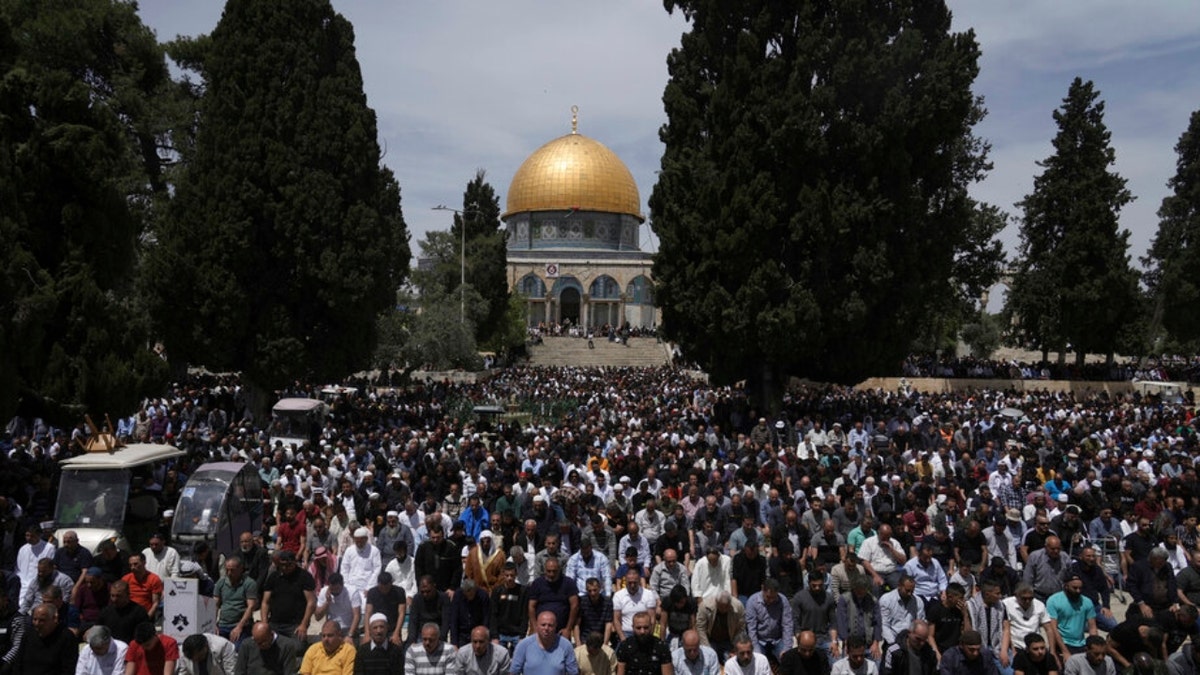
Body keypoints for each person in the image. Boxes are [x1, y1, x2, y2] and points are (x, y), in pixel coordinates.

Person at [260, 551, 317, 642]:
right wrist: (264, 622)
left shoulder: (304, 577)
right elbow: (265, 602)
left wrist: (304, 624)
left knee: (298, 648)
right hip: (275, 622)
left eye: (288, 565)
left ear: (294, 563)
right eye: (282, 565)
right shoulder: (274, 577)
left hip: (296, 624)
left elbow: (311, 602)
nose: (285, 568)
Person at [13, 602, 77, 674]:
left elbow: (68, 669)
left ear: (54, 619)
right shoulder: (28, 634)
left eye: (42, 620)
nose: (37, 624)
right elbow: (18, 663)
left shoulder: (66, 637)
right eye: (35, 619)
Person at [1045, 575, 1097, 665]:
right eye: (1075, 588)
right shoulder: (1054, 601)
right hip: (1063, 642)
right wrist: (1064, 651)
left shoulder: (1087, 602)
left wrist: (1093, 646)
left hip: (1081, 643)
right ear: (1066, 586)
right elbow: (1053, 629)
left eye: (1080, 588)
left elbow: (1092, 628)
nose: (1078, 591)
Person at [510, 611, 579, 675]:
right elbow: (514, 672)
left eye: (550, 625)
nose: (546, 628)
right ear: (537, 625)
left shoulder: (566, 645)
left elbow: (573, 672)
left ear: (555, 626)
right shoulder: (524, 645)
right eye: (543, 625)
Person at [526, 558, 579, 638]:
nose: (551, 574)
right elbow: (531, 606)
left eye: (554, 571)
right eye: (549, 571)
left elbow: (574, 605)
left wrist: (568, 629)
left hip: (561, 630)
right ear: (544, 570)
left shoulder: (568, 583)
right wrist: (535, 627)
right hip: (541, 629)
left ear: (559, 570)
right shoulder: (537, 583)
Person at [745, 578, 793, 662]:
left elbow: (787, 625)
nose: (771, 600)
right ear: (762, 589)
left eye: (774, 597)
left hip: (778, 639)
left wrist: (786, 648)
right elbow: (751, 629)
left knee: (788, 659)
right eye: (768, 597)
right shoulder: (752, 602)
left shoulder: (783, 601)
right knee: (757, 661)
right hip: (759, 640)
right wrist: (756, 651)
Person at [1002, 584, 1053, 664]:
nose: (1027, 601)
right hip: (1016, 645)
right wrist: (1012, 650)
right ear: (1016, 596)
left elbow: (1049, 629)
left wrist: (1052, 651)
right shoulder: (1006, 604)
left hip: (1035, 645)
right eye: (1024, 598)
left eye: (1030, 598)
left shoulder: (1039, 605)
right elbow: (1006, 629)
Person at [792, 572, 838, 660]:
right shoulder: (799, 597)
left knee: (836, 660)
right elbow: (795, 621)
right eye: (814, 585)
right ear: (809, 583)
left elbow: (833, 623)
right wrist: (800, 640)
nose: (817, 588)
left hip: (824, 639)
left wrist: (834, 641)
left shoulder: (829, 598)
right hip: (805, 638)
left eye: (820, 585)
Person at [215, 556, 259, 645]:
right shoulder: (221, 583)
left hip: (241, 625)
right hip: (223, 624)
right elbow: (215, 604)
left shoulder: (249, 583)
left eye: (232, 570)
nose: (229, 573)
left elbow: (251, 606)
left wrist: (239, 626)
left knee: (237, 649)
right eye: (227, 570)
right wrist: (213, 624)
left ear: (240, 569)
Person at [614, 611, 671, 675]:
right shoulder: (625, 646)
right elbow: (620, 672)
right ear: (633, 627)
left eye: (646, 627)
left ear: (651, 626)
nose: (642, 631)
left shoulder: (661, 647)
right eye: (638, 628)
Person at [235, 621, 303, 675]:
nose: (259, 646)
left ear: (271, 635)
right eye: (257, 642)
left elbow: (289, 672)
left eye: (262, 642)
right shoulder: (247, 644)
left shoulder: (286, 646)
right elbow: (240, 671)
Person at [77, 624, 147, 675]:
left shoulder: (121, 649)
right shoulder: (87, 649)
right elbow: (81, 672)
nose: (94, 651)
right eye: (92, 648)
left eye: (98, 648)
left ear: (108, 642)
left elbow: (118, 673)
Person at [695, 592, 744, 663]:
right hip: (710, 640)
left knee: (733, 662)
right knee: (709, 661)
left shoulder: (738, 607)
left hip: (728, 641)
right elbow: (700, 628)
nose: (724, 609)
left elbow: (740, 628)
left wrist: (735, 647)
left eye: (726, 607)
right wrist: (707, 648)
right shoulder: (704, 606)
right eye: (721, 606)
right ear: (716, 602)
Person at [613, 568, 659, 642]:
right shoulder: (618, 596)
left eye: (635, 582)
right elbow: (616, 619)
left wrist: (649, 637)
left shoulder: (648, 594)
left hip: (644, 632)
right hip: (626, 633)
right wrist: (623, 639)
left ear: (639, 581)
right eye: (630, 583)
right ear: (626, 581)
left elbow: (652, 618)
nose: (632, 585)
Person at [489, 564, 527, 654]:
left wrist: (522, 635)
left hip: (517, 634)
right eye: (507, 575)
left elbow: (525, 615)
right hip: (501, 634)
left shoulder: (523, 591)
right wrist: (494, 636)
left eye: (512, 575)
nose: (509, 578)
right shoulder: (497, 591)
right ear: (503, 575)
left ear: (516, 575)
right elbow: (493, 614)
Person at [927, 584, 971, 660]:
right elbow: (930, 635)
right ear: (950, 597)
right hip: (941, 649)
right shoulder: (936, 610)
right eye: (960, 598)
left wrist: (965, 615)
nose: (962, 600)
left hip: (957, 651)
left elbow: (968, 634)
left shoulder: (961, 611)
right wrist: (936, 652)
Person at [313, 573, 361, 642]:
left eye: (337, 589)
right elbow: (317, 617)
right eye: (332, 589)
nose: (334, 592)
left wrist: (350, 635)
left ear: (342, 585)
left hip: (348, 628)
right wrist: (327, 603)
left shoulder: (352, 592)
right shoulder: (324, 592)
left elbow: (357, 615)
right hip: (332, 628)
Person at [879, 576, 924, 648]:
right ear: (899, 586)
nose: (910, 594)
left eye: (912, 591)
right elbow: (884, 625)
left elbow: (920, 623)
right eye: (907, 590)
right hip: (891, 640)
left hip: (911, 641)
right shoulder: (886, 599)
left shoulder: (918, 601)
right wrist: (894, 644)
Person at [123, 552, 164, 617]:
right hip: (128, 614)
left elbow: (155, 603)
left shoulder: (154, 579)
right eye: (130, 565)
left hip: (146, 614)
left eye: (135, 564)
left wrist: (147, 618)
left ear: (144, 563)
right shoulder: (126, 579)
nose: (132, 567)